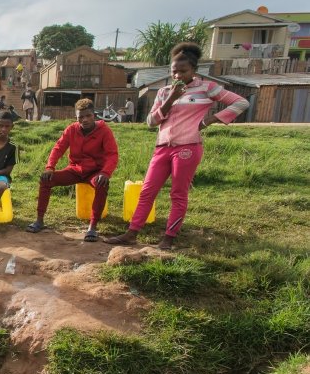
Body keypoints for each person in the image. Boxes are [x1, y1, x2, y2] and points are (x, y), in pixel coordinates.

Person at [105, 42, 248, 250]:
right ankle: (131, 233)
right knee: (147, 191)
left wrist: (211, 120)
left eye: (183, 71)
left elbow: (241, 102)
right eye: (174, 71)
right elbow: (151, 121)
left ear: (194, 70)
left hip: (188, 147)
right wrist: (171, 98)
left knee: (178, 194)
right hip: (163, 146)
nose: (178, 75)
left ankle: (169, 238)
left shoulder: (206, 88)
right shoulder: (164, 92)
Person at [26, 98, 118, 242]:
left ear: (94, 115)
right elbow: (58, 148)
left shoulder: (104, 130)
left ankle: (92, 227)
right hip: (75, 170)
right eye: (80, 117)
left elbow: (112, 154)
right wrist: (50, 167)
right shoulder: (72, 129)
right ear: (76, 117)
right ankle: (39, 220)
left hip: (95, 172)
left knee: (102, 184)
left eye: (88, 116)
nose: (85, 120)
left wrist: (105, 172)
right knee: (45, 179)